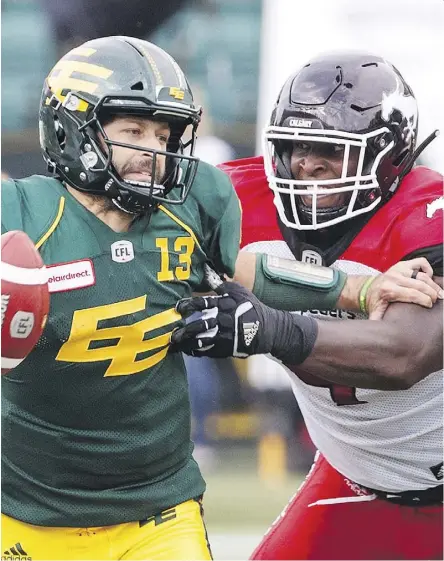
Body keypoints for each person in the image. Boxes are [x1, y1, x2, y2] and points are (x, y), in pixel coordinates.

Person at [3, 36, 428, 561]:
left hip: (157, 507)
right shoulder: (21, 214)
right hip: (31, 509)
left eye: (164, 132)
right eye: (133, 131)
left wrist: (357, 288)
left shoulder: (191, 206)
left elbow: (243, 269)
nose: (153, 150)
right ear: (74, 129)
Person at [170, 51, 444, 560]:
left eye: (329, 150)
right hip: (355, 476)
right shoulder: (236, 199)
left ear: (388, 158)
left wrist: (269, 330)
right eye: (295, 146)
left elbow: (406, 353)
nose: (305, 162)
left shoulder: (427, 214)